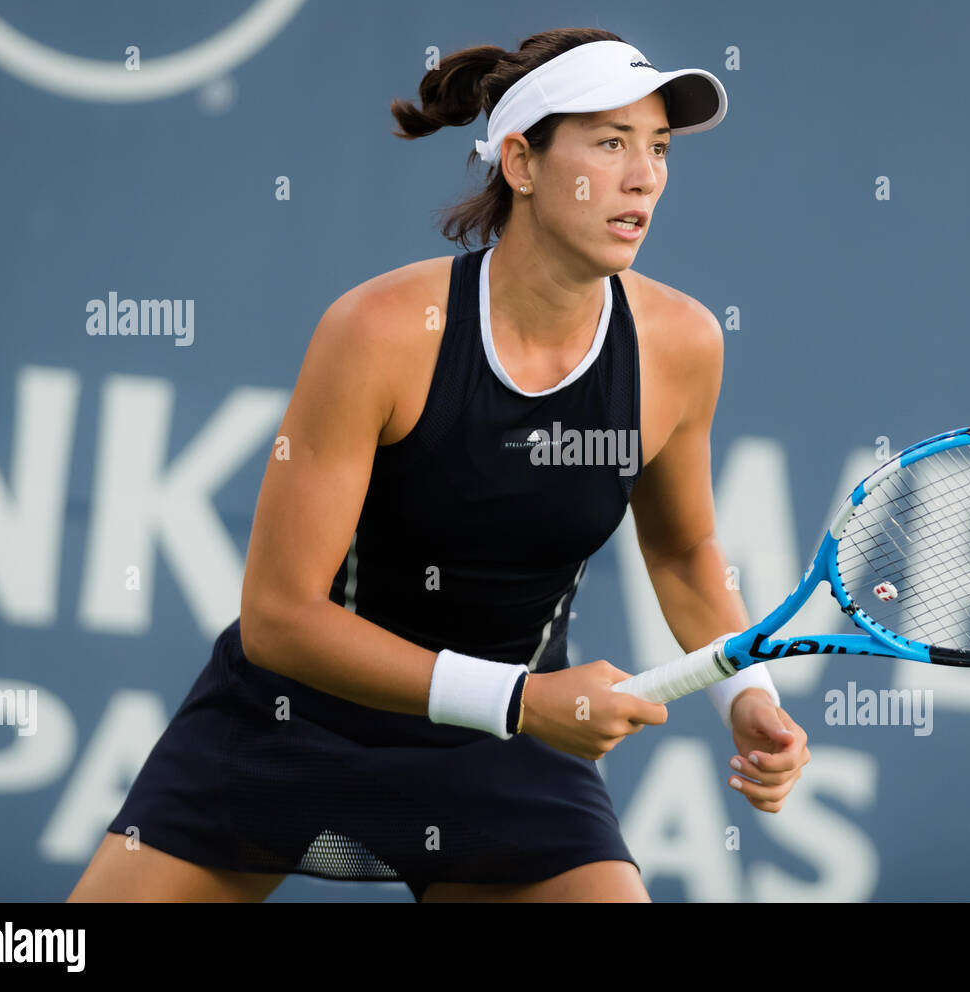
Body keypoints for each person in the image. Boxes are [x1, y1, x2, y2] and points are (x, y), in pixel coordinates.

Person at [68, 27, 809, 904]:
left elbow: (685, 554)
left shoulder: (680, 344)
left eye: (658, 148)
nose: (644, 177)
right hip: (292, 721)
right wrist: (525, 702)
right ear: (521, 164)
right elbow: (277, 618)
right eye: (610, 144)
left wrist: (744, 693)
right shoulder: (378, 330)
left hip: (497, 750)